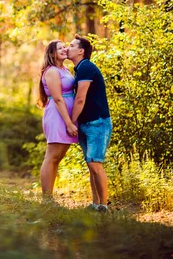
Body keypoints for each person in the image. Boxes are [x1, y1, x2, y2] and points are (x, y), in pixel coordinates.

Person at [67, 34, 112, 213]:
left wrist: (71, 122)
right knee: (91, 164)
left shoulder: (86, 67)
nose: (67, 48)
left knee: (95, 163)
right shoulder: (80, 69)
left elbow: (80, 99)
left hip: (97, 123)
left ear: (81, 51)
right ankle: (95, 204)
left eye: (71, 45)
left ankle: (103, 205)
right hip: (86, 123)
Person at [38, 40, 79, 202]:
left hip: (66, 115)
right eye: (60, 48)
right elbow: (57, 99)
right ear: (52, 54)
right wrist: (69, 123)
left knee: (58, 156)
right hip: (58, 116)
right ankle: (46, 199)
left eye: (65, 47)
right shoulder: (52, 72)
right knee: (52, 156)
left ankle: (50, 196)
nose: (64, 49)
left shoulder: (64, 69)